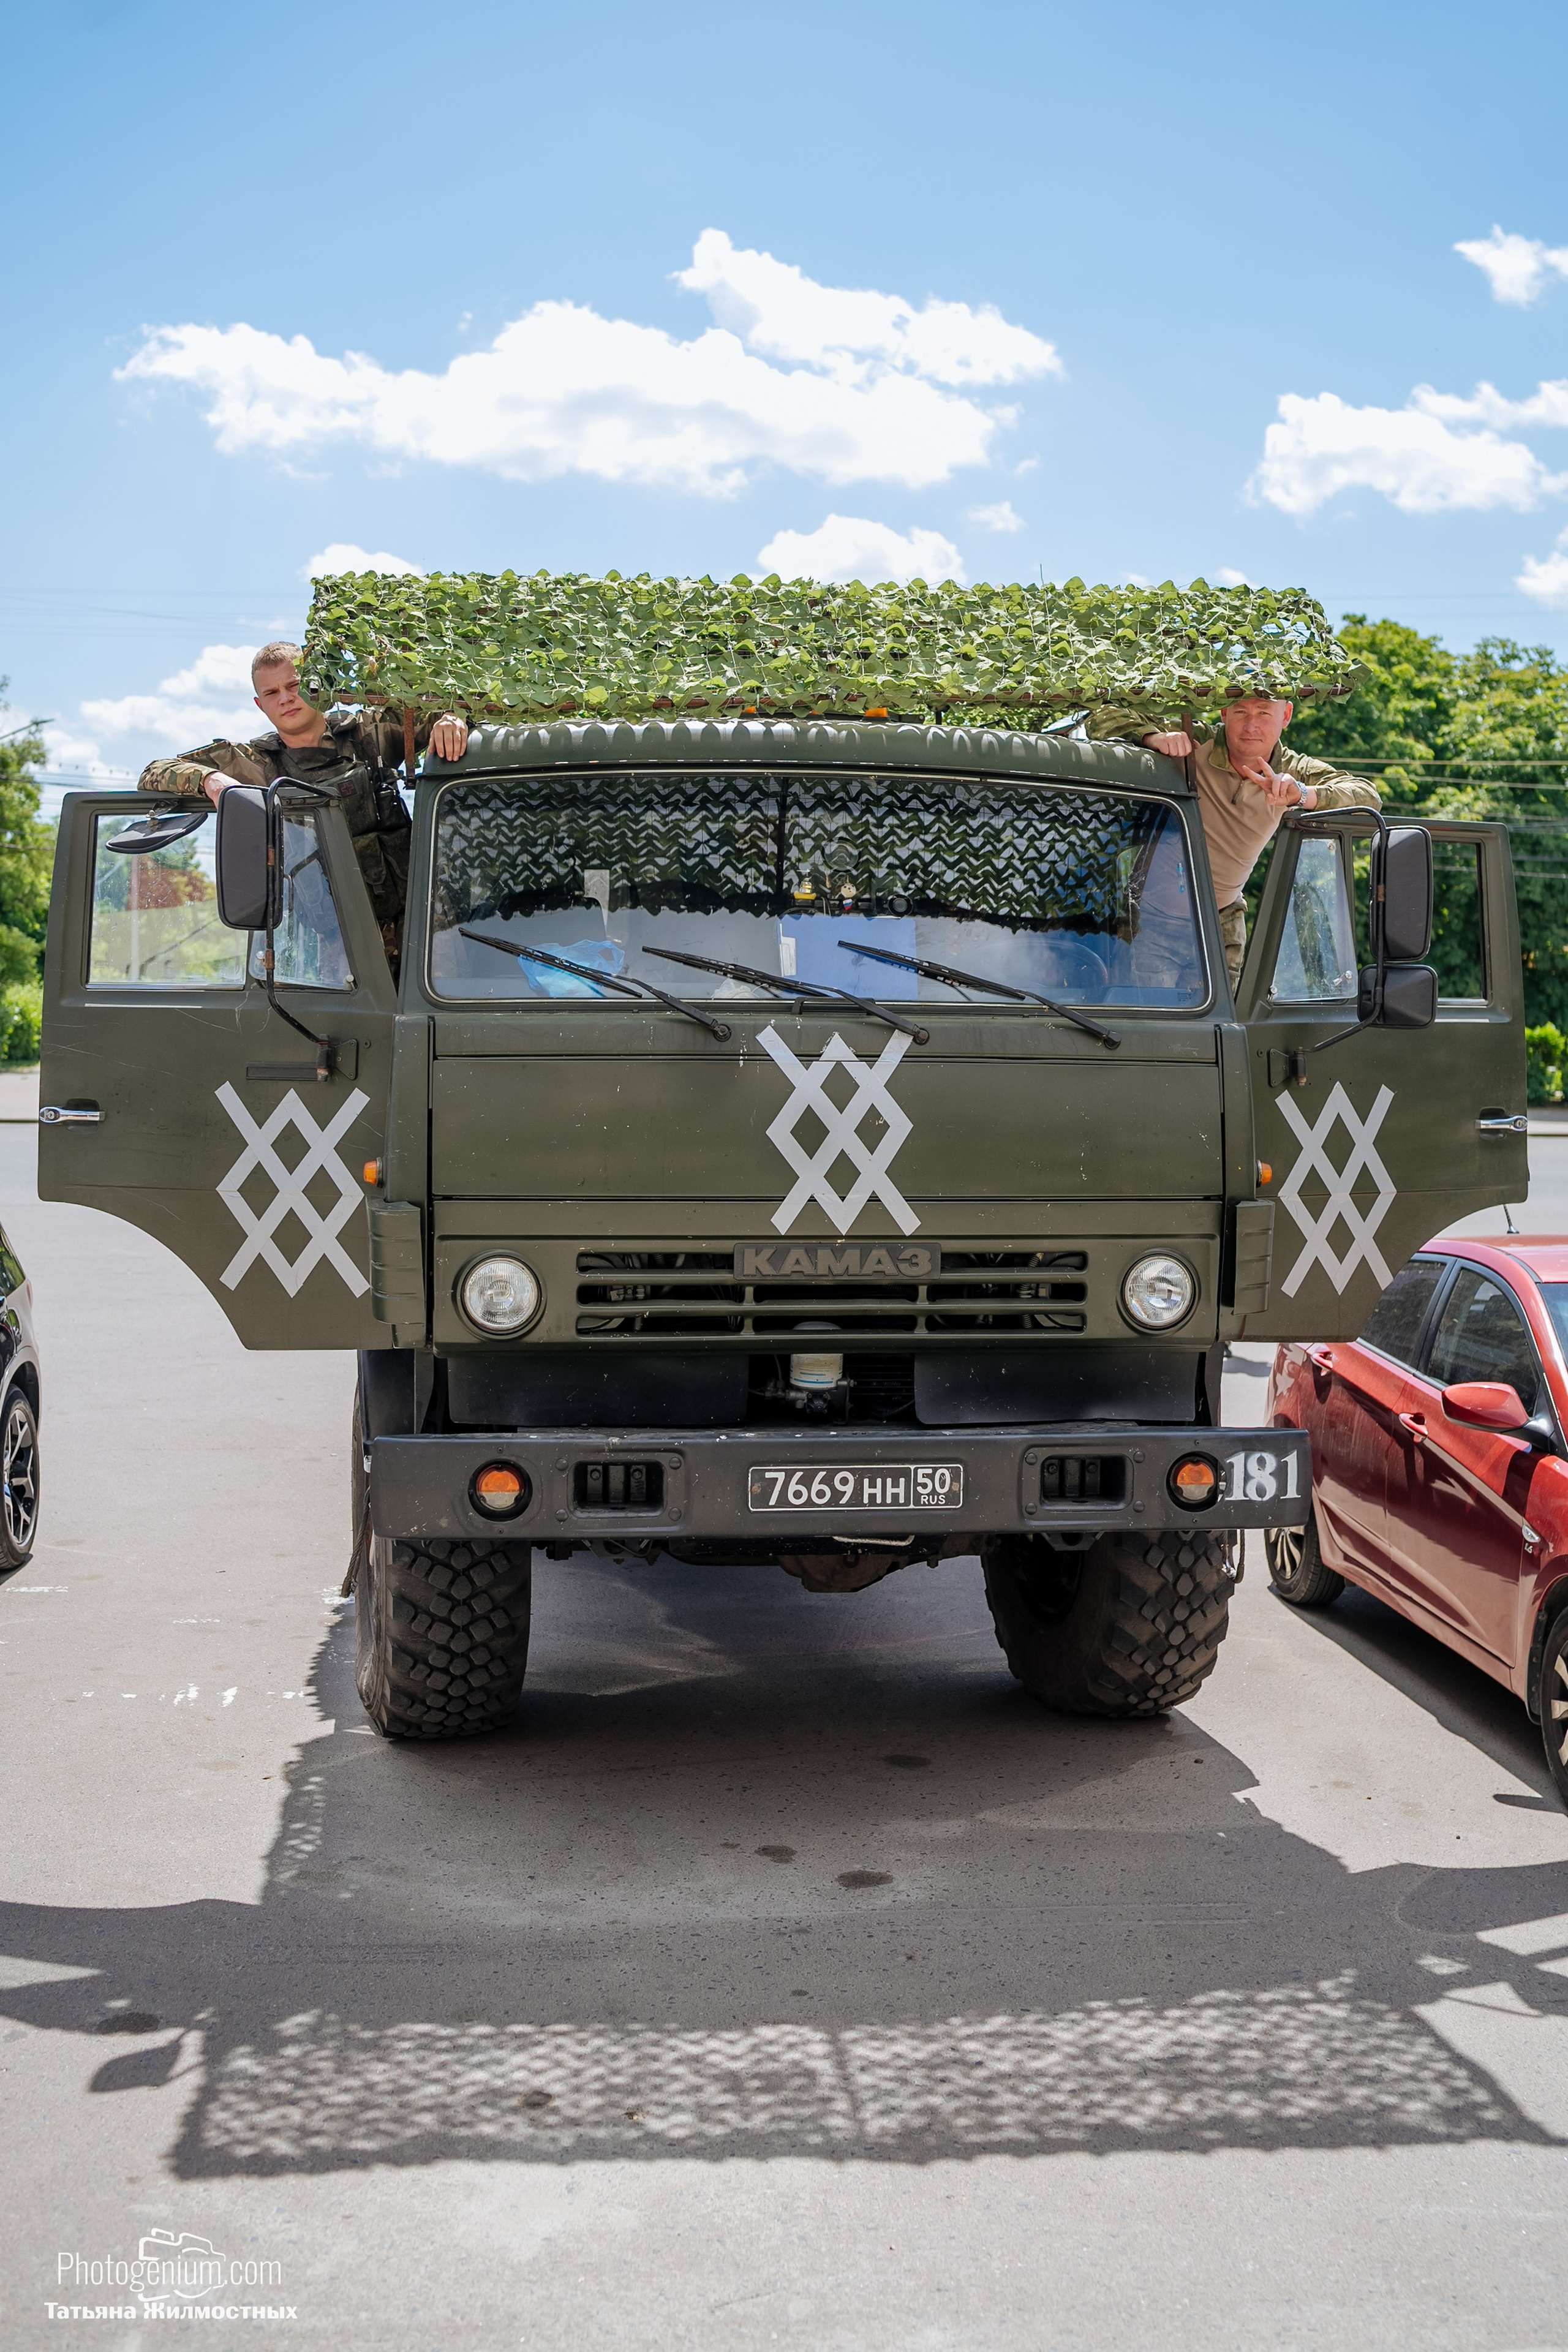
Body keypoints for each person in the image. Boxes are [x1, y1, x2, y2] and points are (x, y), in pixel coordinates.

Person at [136, 643, 469, 970]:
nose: (285, 698)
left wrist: (450, 720)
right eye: (272, 693)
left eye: (294, 685)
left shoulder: (370, 733)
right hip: (341, 944)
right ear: (259, 704)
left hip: (426, 928)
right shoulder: (252, 763)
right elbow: (153, 772)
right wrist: (211, 781)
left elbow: (451, 708)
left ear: (319, 686)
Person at [1087, 694, 1380, 984]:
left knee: (1221, 1029)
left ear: (1286, 716)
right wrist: (1152, 738)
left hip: (1223, 925)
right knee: (1156, 1025)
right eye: (1241, 712)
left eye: (1264, 713)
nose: (1251, 725)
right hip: (1156, 921)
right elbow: (1101, 717)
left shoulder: (1293, 770)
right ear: (1224, 713)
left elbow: (1369, 798)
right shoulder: (1197, 738)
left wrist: (1303, 794)